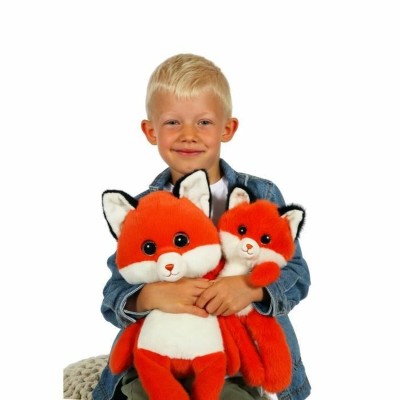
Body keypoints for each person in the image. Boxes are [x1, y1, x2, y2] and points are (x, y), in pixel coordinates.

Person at [93, 53, 311, 400]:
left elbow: (297, 275)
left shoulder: (262, 196)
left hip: (235, 358)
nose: (189, 135)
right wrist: (150, 295)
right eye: (172, 122)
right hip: (159, 354)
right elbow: (113, 295)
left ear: (228, 128)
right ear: (150, 131)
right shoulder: (143, 210)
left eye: (204, 122)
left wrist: (249, 288)